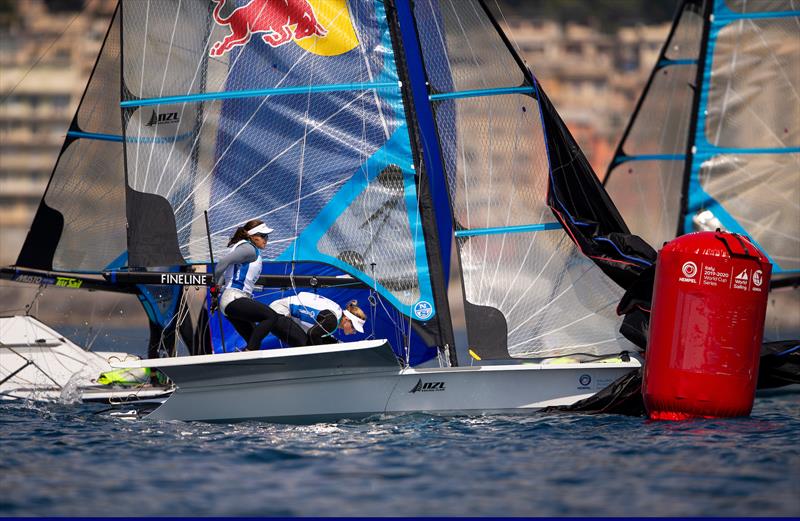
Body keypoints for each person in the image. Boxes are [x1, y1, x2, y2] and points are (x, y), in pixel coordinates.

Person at [213, 219, 367, 350]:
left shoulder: (249, 249)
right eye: (263, 236)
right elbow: (223, 262)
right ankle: (248, 351)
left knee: (254, 341)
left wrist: (217, 294)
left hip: (234, 299)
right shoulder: (248, 248)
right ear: (252, 236)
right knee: (270, 317)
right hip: (234, 298)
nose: (266, 239)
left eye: (267, 236)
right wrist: (215, 288)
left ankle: (247, 357)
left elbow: (227, 268)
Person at [268, 291, 367, 346]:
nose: (354, 332)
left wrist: (339, 345)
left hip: (279, 311)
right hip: (279, 312)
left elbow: (320, 335)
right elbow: (313, 333)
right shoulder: (333, 321)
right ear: (347, 319)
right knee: (305, 344)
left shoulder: (336, 314)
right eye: (353, 327)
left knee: (313, 341)